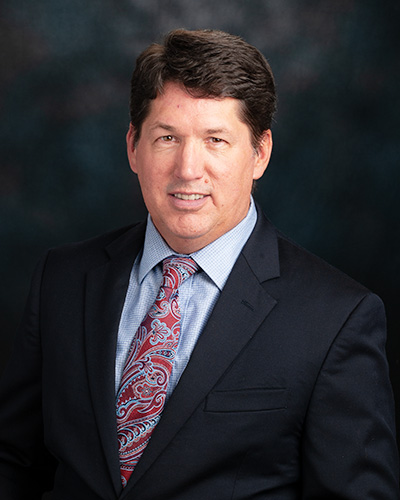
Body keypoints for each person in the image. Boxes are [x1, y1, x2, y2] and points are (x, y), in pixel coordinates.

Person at [0, 28, 398, 500]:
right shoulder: (62, 279)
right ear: (133, 147)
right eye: (167, 137)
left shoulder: (336, 319)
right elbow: (15, 463)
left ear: (260, 153)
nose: (188, 169)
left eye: (216, 140)